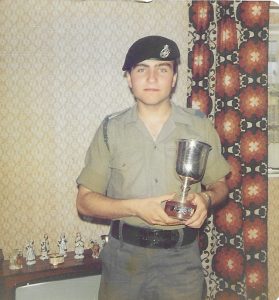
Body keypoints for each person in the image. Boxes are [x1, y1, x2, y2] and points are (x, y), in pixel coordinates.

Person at [76, 35, 230, 300]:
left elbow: (220, 186)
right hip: (124, 261)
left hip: (182, 262)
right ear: (129, 78)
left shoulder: (200, 126)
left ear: (174, 78)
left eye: (162, 69)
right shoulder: (110, 130)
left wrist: (205, 199)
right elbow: (85, 202)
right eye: (141, 69)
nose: (151, 78)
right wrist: (137, 208)